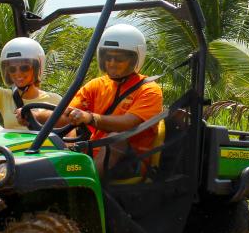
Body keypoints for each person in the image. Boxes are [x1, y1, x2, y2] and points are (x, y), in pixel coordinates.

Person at [25, 24, 164, 177]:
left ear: (135, 58)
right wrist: (36, 115)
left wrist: (91, 118)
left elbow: (128, 122)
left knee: (114, 139)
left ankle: (86, 184)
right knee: (68, 133)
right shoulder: (97, 85)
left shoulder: (149, 90)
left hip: (130, 161)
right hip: (93, 153)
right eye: (107, 57)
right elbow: (66, 114)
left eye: (119, 58)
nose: (111, 62)